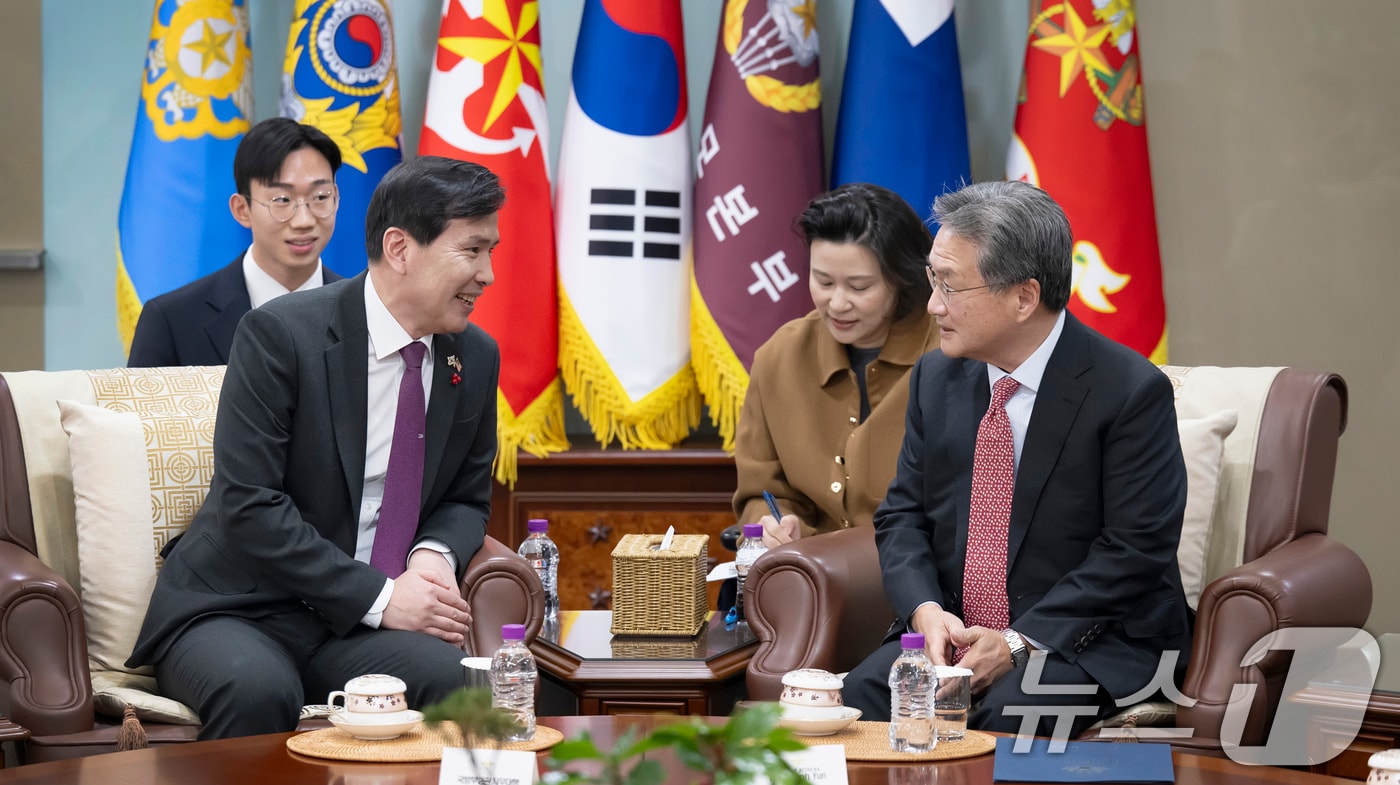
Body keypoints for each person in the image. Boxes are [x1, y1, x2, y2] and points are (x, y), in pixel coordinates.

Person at [127, 156, 505, 740]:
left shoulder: (473, 355)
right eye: (471, 251)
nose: (488, 274)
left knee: (460, 681)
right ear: (400, 249)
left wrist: (432, 554)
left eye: (490, 252)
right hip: (241, 605)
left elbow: (466, 496)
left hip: (351, 630)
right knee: (258, 690)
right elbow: (249, 504)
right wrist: (382, 597)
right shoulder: (281, 334)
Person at [841, 180, 1193, 737]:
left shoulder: (1129, 391)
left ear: (1023, 297)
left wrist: (1014, 641)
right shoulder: (937, 377)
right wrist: (925, 612)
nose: (933, 305)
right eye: (934, 279)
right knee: (857, 703)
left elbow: (1134, 549)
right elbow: (901, 517)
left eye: (950, 286)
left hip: (1086, 640)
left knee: (999, 720)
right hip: (954, 638)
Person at [732, 183, 938, 549]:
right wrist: (776, 524)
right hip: (810, 579)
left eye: (859, 287)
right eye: (823, 281)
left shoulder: (950, 355)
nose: (837, 303)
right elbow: (759, 493)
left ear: (902, 279)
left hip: (924, 583)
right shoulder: (780, 357)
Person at [127, 117, 345, 367]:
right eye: (282, 200)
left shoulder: (365, 309)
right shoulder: (172, 321)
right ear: (242, 209)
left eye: (320, 197)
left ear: (336, 198)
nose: (304, 220)